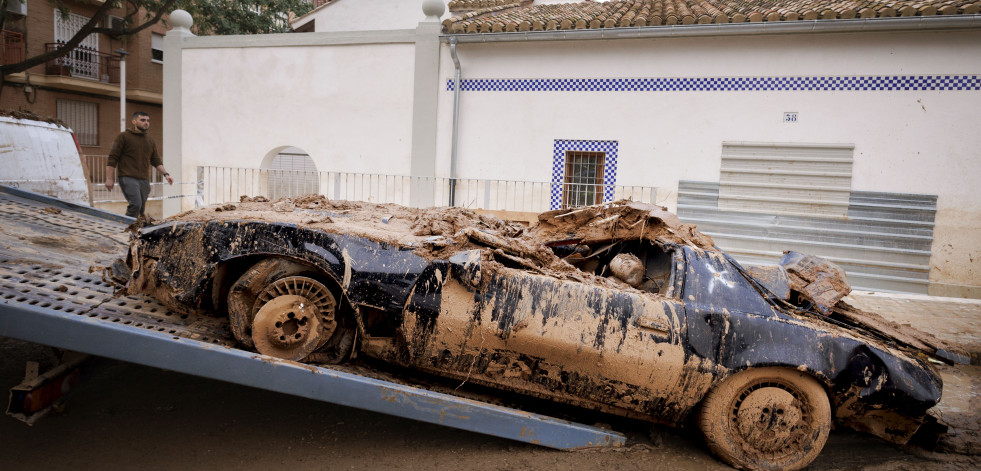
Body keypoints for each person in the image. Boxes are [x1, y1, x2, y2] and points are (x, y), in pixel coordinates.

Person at [105, 112, 173, 218]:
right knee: (136, 204)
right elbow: (112, 158)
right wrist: (109, 178)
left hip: (144, 180)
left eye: (148, 120)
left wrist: (166, 174)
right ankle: (127, 227)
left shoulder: (150, 140)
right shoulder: (123, 137)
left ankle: (137, 229)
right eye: (142, 120)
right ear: (134, 121)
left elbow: (156, 160)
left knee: (141, 209)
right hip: (127, 177)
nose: (146, 123)